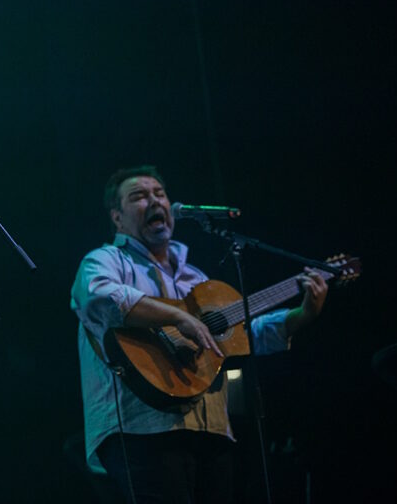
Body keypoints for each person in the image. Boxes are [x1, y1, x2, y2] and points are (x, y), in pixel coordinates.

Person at [70, 166, 328, 504]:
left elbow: (241, 336)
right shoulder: (106, 260)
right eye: (139, 196)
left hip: (210, 430)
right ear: (117, 218)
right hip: (141, 428)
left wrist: (303, 314)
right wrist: (178, 316)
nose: (154, 200)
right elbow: (99, 297)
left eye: (159, 193)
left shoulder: (197, 279)